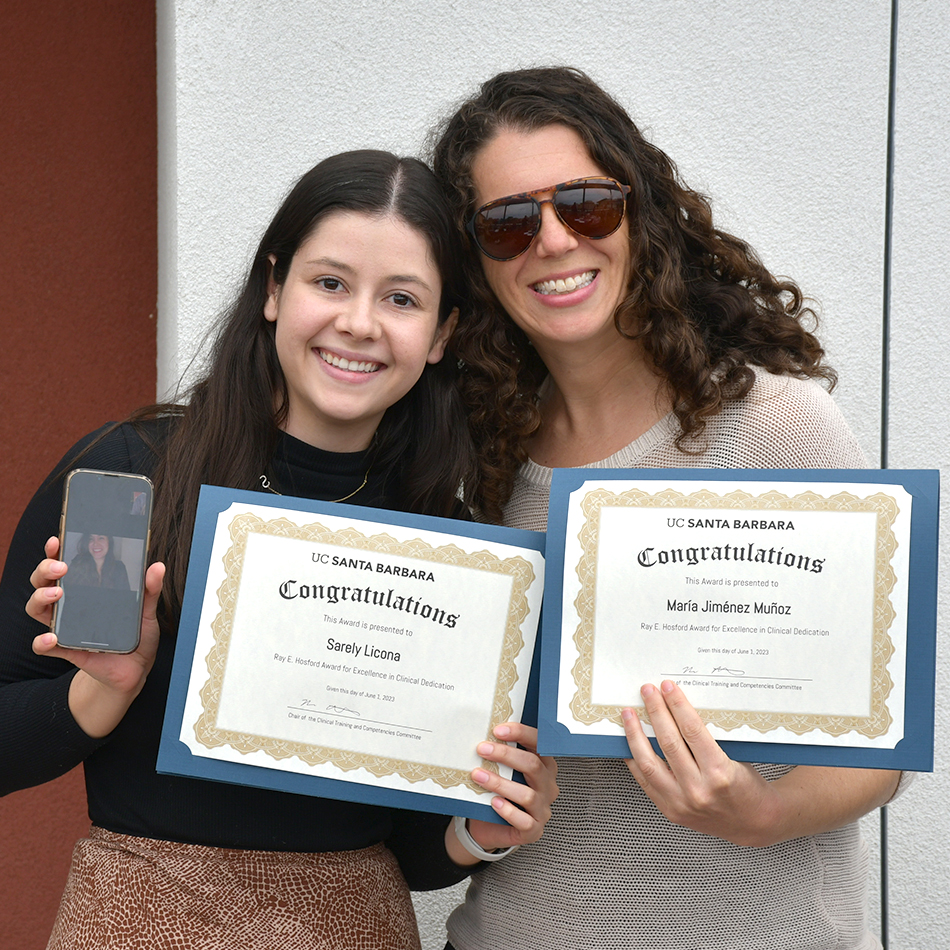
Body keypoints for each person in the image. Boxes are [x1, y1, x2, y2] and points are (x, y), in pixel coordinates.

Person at [0, 150, 557, 950]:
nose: (358, 323)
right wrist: (102, 692)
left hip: (356, 926)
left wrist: (482, 830)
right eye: (329, 283)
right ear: (274, 290)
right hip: (136, 922)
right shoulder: (134, 479)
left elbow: (404, 848)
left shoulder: (449, 542)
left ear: (441, 335)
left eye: (401, 299)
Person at [430, 67, 904, 950]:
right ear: (475, 258)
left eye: (586, 204)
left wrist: (759, 810)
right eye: (507, 223)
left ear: (639, 210)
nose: (554, 241)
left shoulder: (779, 427)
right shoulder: (471, 466)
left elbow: (877, 751)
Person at [65, 534, 131, 590]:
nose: (95, 544)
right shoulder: (77, 564)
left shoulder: (119, 567)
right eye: (91, 539)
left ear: (109, 542)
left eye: (101, 538)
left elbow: (124, 599)